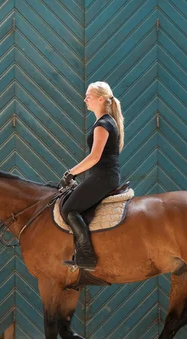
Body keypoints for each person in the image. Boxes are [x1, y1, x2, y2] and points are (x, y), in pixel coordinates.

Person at [59, 81, 125, 271]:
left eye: (89, 96)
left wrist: (71, 173)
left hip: (103, 176)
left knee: (68, 209)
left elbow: (95, 157)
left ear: (101, 99)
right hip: (103, 175)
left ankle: (86, 255)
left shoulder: (103, 124)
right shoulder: (105, 122)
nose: (85, 99)